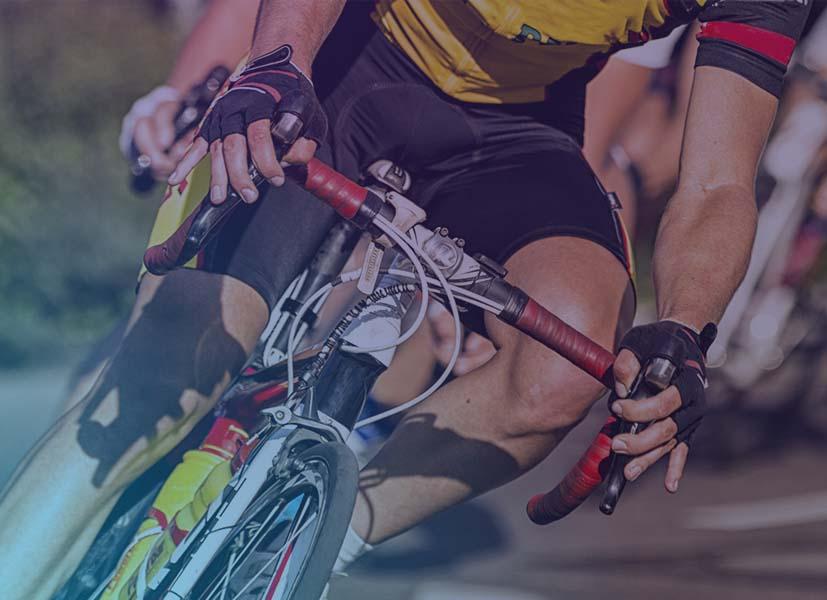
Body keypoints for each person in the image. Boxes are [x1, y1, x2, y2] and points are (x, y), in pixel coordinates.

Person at [0, 2, 811, 599]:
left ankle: (303, 546)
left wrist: (684, 326)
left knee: (564, 362)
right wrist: (275, 64)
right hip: (351, 55)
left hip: (514, 129)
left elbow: (714, 183)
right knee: (173, 366)